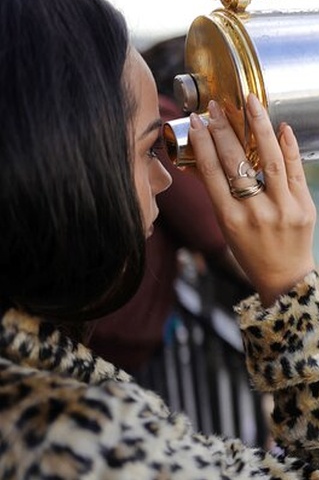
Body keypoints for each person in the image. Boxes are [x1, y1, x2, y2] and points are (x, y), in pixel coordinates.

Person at [0, 0, 319, 478]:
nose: (165, 177)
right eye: (151, 149)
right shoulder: (79, 443)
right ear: (56, 162)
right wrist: (294, 285)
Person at [87, 35, 251, 374]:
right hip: (112, 340)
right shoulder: (164, 120)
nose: (161, 178)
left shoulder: (138, 113)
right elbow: (214, 230)